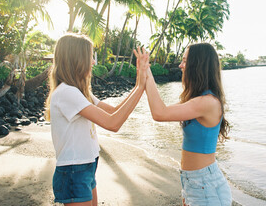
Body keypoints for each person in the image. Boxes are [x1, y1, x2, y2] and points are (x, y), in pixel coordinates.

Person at [45, 33, 149, 206]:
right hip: (74, 170)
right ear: (76, 59)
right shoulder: (67, 93)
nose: (93, 62)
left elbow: (115, 111)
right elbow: (113, 123)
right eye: (89, 57)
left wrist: (139, 78)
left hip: (86, 165)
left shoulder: (79, 92)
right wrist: (140, 87)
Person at [139, 43, 232, 206]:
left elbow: (159, 113)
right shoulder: (198, 100)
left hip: (206, 186)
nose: (180, 65)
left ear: (197, 65)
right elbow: (162, 110)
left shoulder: (208, 102)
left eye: (184, 61)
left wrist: (147, 72)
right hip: (195, 183)